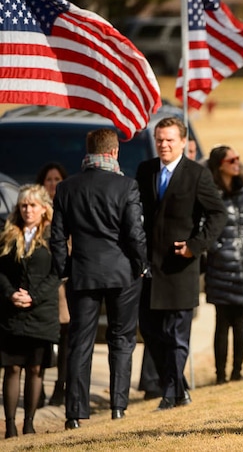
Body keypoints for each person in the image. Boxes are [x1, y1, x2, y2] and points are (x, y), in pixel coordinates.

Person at [51, 128, 148, 429]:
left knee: (80, 343)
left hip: (83, 271)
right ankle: (118, 406)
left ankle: (74, 413)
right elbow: (134, 233)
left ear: (88, 151)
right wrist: (140, 265)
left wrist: (65, 268)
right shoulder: (126, 186)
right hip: (122, 273)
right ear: (114, 152)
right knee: (122, 339)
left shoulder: (67, 188)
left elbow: (56, 237)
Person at [136, 117, 226, 410]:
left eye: (169, 140)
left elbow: (218, 214)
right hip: (150, 266)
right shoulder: (146, 170)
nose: (163, 145)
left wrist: (195, 246)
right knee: (151, 331)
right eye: (160, 139)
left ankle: (171, 392)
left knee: (177, 334)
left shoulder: (196, 175)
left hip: (180, 266)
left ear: (184, 143)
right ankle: (179, 387)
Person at [0, 185, 59, 438]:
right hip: (12, 312)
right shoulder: (8, 234)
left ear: (44, 208)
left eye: (33, 205)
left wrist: (33, 296)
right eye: (24, 205)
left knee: (35, 368)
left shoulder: (52, 235)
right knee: (12, 367)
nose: (28, 210)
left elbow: (57, 273)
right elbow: (0, 271)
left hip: (41, 312)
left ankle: (30, 422)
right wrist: (11, 293)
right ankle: (11, 424)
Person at [205, 146, 243, 384]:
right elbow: (204, 225)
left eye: (238, 158)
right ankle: (220, 375)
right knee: (221, 320)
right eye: (231, 159)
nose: (237, 163)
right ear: (220, 165)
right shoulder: (209, 191)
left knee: (239, 319)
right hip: (220, 265)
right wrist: (217, 249)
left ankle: (237, 372)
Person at [35, 162, 69, 407]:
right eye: (49, 179)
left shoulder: (68, 209)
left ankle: (61, 387)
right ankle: (39, 389)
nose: (53, 184)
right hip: (40, 286)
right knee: (41, 342)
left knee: (66, 340)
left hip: (64, 288)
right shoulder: (33, 211)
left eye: (57, 179)